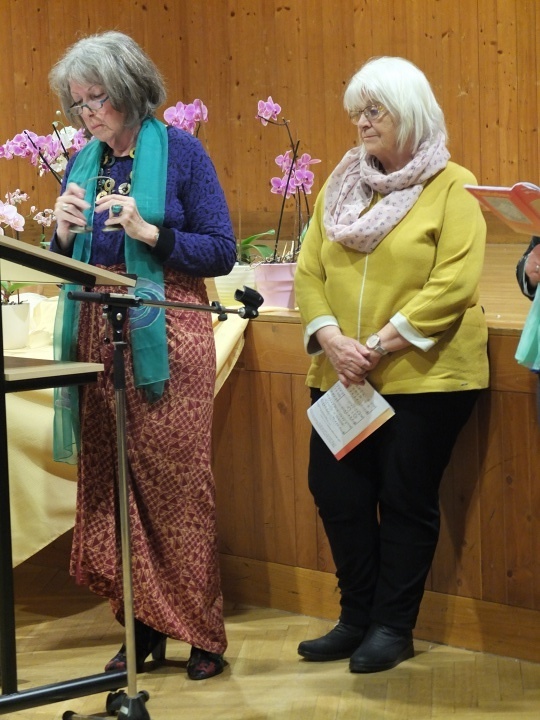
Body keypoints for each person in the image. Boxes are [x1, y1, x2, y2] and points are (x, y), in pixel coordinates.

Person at [48, 31, 236, 681]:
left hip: (169, 333)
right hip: (96, 333)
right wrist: (61, 234)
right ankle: (142, 627)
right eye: (77, 104)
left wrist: (149, 231)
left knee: (177, 485)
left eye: (95, 99)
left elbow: (221, 250)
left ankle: (202, 633)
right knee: (115, 486)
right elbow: (68, 261)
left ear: (129, 92)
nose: (86, 114)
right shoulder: (84, 161)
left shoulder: (182, 153)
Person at [294, 56, 489, 674]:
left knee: (405, 498)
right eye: (357, 111)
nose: (361, 122)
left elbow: (454, 283)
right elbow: (308, 272)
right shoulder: (339, 185)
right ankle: (356, 618)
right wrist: (330, 337)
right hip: (342, 372)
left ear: (409, 112)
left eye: (374, 109)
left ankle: (392, 627)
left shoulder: (454, 185)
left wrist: (377, 346)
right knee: (336, 492)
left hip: (426, 376)